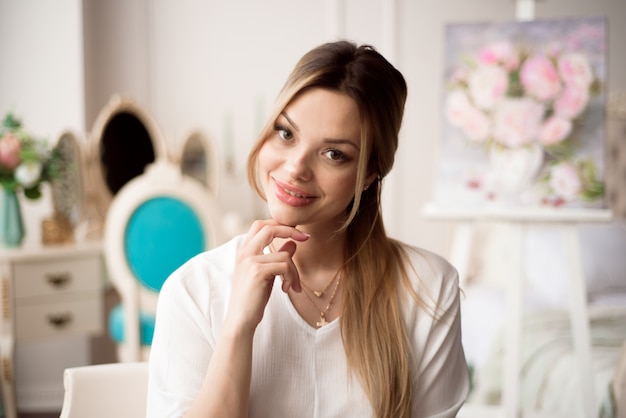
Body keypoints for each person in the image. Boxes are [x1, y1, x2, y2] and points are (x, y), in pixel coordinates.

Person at [146, 40, 469, 418]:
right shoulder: (194, 290)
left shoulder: (428, 289)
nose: (296, 166)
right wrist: (237, 328)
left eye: (334, 154)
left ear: (369, 174)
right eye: (286, 133)